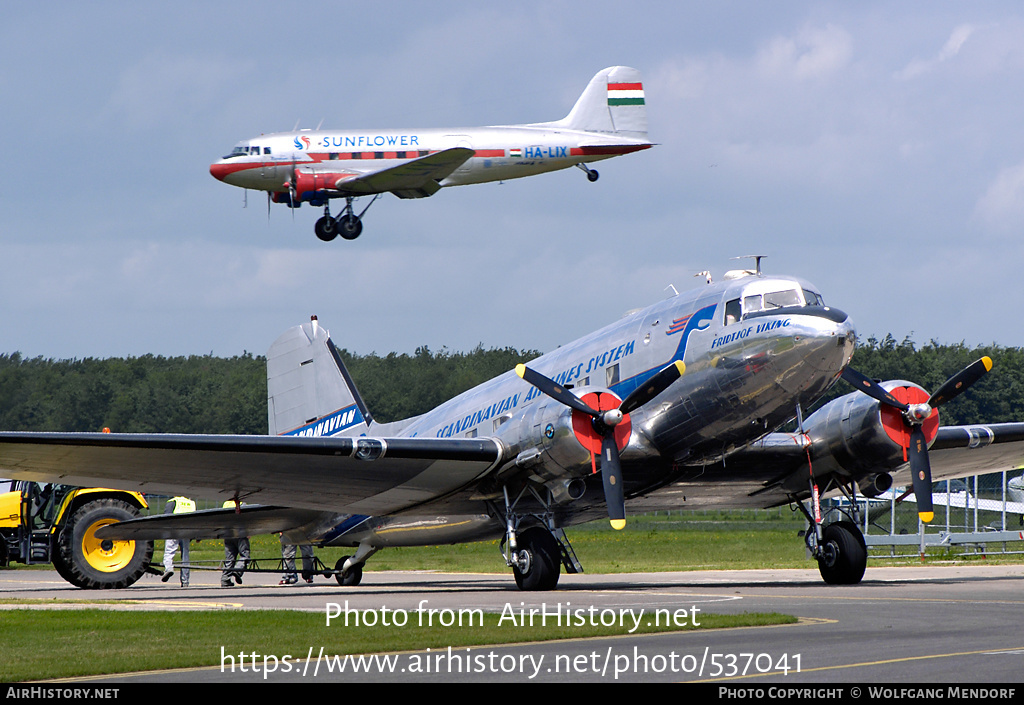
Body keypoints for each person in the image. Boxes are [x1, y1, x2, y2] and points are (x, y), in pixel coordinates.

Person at [161, 496, 196, 587]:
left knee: (169, 551)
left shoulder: (173, 501)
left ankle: (168, 568)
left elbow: (166, 516)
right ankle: (185, 581)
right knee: (185, 556)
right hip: (186, 531)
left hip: (173, 530)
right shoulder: (191, 502)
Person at [221, 500, 250, 587]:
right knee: (245, 555)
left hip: (228, 533)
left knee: (230, 558)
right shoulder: (242, 504)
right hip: (240, 532)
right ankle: (238, 570)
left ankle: (225, 579)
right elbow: (246, 519)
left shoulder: (225, 504)